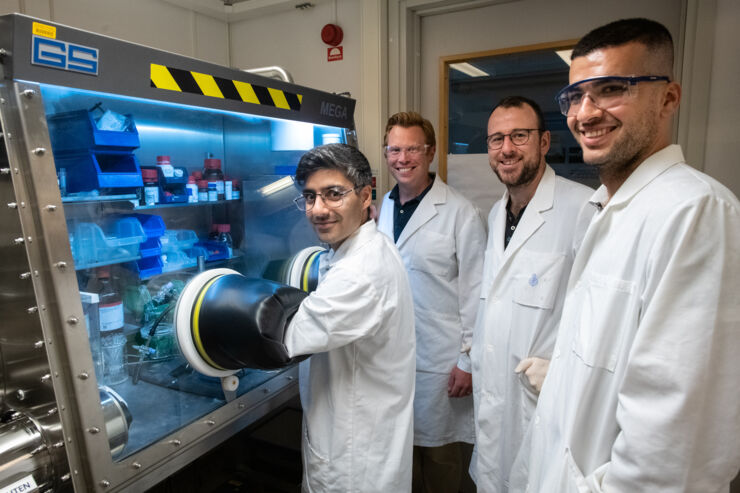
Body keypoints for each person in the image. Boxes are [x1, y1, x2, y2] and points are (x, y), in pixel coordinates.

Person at [510, 18, 740, 492]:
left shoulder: (696, 213)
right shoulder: (606, 208)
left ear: (668, 98)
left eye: (612, 89)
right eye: (574, 97)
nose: (585, 113)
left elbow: (676, 450)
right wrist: (566, 372)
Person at [470, 96, 593, 492]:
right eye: (496, 139)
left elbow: (601, 315)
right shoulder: (496, 212)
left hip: (544, 401)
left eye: (519, 136)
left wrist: (560, 370)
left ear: (544, 142)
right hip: (495, 396)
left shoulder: (584, 209)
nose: (506, 149)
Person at [284, 144, 416, 492]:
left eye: (333, 194)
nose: (318, 209)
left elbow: (288, 338)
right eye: (310, 197)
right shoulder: (365, 247)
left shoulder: (360, 271)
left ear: (365, 195)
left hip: (354, 458)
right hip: (359, 435)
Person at [377, 112, 485, 493]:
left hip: (441, 362)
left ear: (431, 152)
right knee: (399, 461)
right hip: (389, 360)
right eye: (394, 149)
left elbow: (477, 293)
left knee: (442, 463)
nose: (402, 158)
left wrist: (467, 361)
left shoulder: (461, 212)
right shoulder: (378, 210)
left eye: (412, 149)